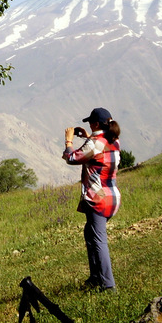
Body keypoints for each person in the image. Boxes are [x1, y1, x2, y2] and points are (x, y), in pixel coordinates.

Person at [62, 107, 121, 291]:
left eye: (90, 122)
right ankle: (96, 277)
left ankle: (108, 285)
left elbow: (72, 158)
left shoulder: (95, 143)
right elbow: (97, 150)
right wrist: (88, 137)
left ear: (95, 124)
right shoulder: (114, 140)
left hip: (98, 197)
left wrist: (69, 140)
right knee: (90, 234)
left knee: (99, 240)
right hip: (112, 196)